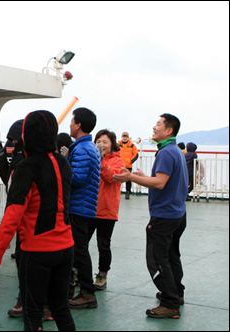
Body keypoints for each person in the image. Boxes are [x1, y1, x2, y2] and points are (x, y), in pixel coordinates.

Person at [0, 110, 75, 331]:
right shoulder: (62, 163)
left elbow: (13, 214)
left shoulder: (26, 167)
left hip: (37, 251)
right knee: (61, 309)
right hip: (65, 247)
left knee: (33, 313)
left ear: (27, 135)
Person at [114, 113, 187, 319]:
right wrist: (144, 177)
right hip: (178, 214)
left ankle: (170, 303)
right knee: (172, 255)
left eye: (158, 124)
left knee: (156, 259)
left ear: (169, 130)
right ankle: (176, 293)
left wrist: (130, 177)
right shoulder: (175, 150)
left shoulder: (165, 152)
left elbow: (161, 183)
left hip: (164, 217)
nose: (154, 127)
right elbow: (165, 180)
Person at [0, 119, 26, 318]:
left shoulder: (29, 160)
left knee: (28, 261)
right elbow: (10, 184)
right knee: (22, 260)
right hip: (21, 219)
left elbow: (16, 190)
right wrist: (2, 161)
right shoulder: (20, 158)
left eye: (13, 139)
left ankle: (32, 301)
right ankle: (27, 299)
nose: (10, 144)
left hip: (28, 219)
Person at [67, 107, 101, 309]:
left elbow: (77, 179)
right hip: (83, 205)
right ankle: (79, 288)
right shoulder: (87, 147)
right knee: (78, 250)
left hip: (78, 206)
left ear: (78, 125)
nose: (70, 124)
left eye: (72, 121)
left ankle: (87, 292)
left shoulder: (81, 149)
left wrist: (61, 169)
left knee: (79, 250)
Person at [89, 129, 125, 291]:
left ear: (112, 144)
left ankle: (102, 274)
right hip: (89, 208)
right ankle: (76, 271)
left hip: (107, 210)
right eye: (98, 141)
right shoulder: (91, 158)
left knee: (103, 244)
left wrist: (101, 160)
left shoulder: (118, 161)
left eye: (105, 142)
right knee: (80, 242)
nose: (101, 144)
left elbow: (111, 177)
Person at [118, 132, 138, 199]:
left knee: (128, 180)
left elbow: (136, 154)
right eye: (123, 137)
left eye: (126, 137)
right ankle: (117, 191)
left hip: (128, 166)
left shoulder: (132, 145)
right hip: (119, 165)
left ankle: (128, 192)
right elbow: (114, 152)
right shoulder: (118, 145)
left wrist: (131, 161)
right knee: (118, 179)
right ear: (121, 137)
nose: (125, 138)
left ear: (128, 138)